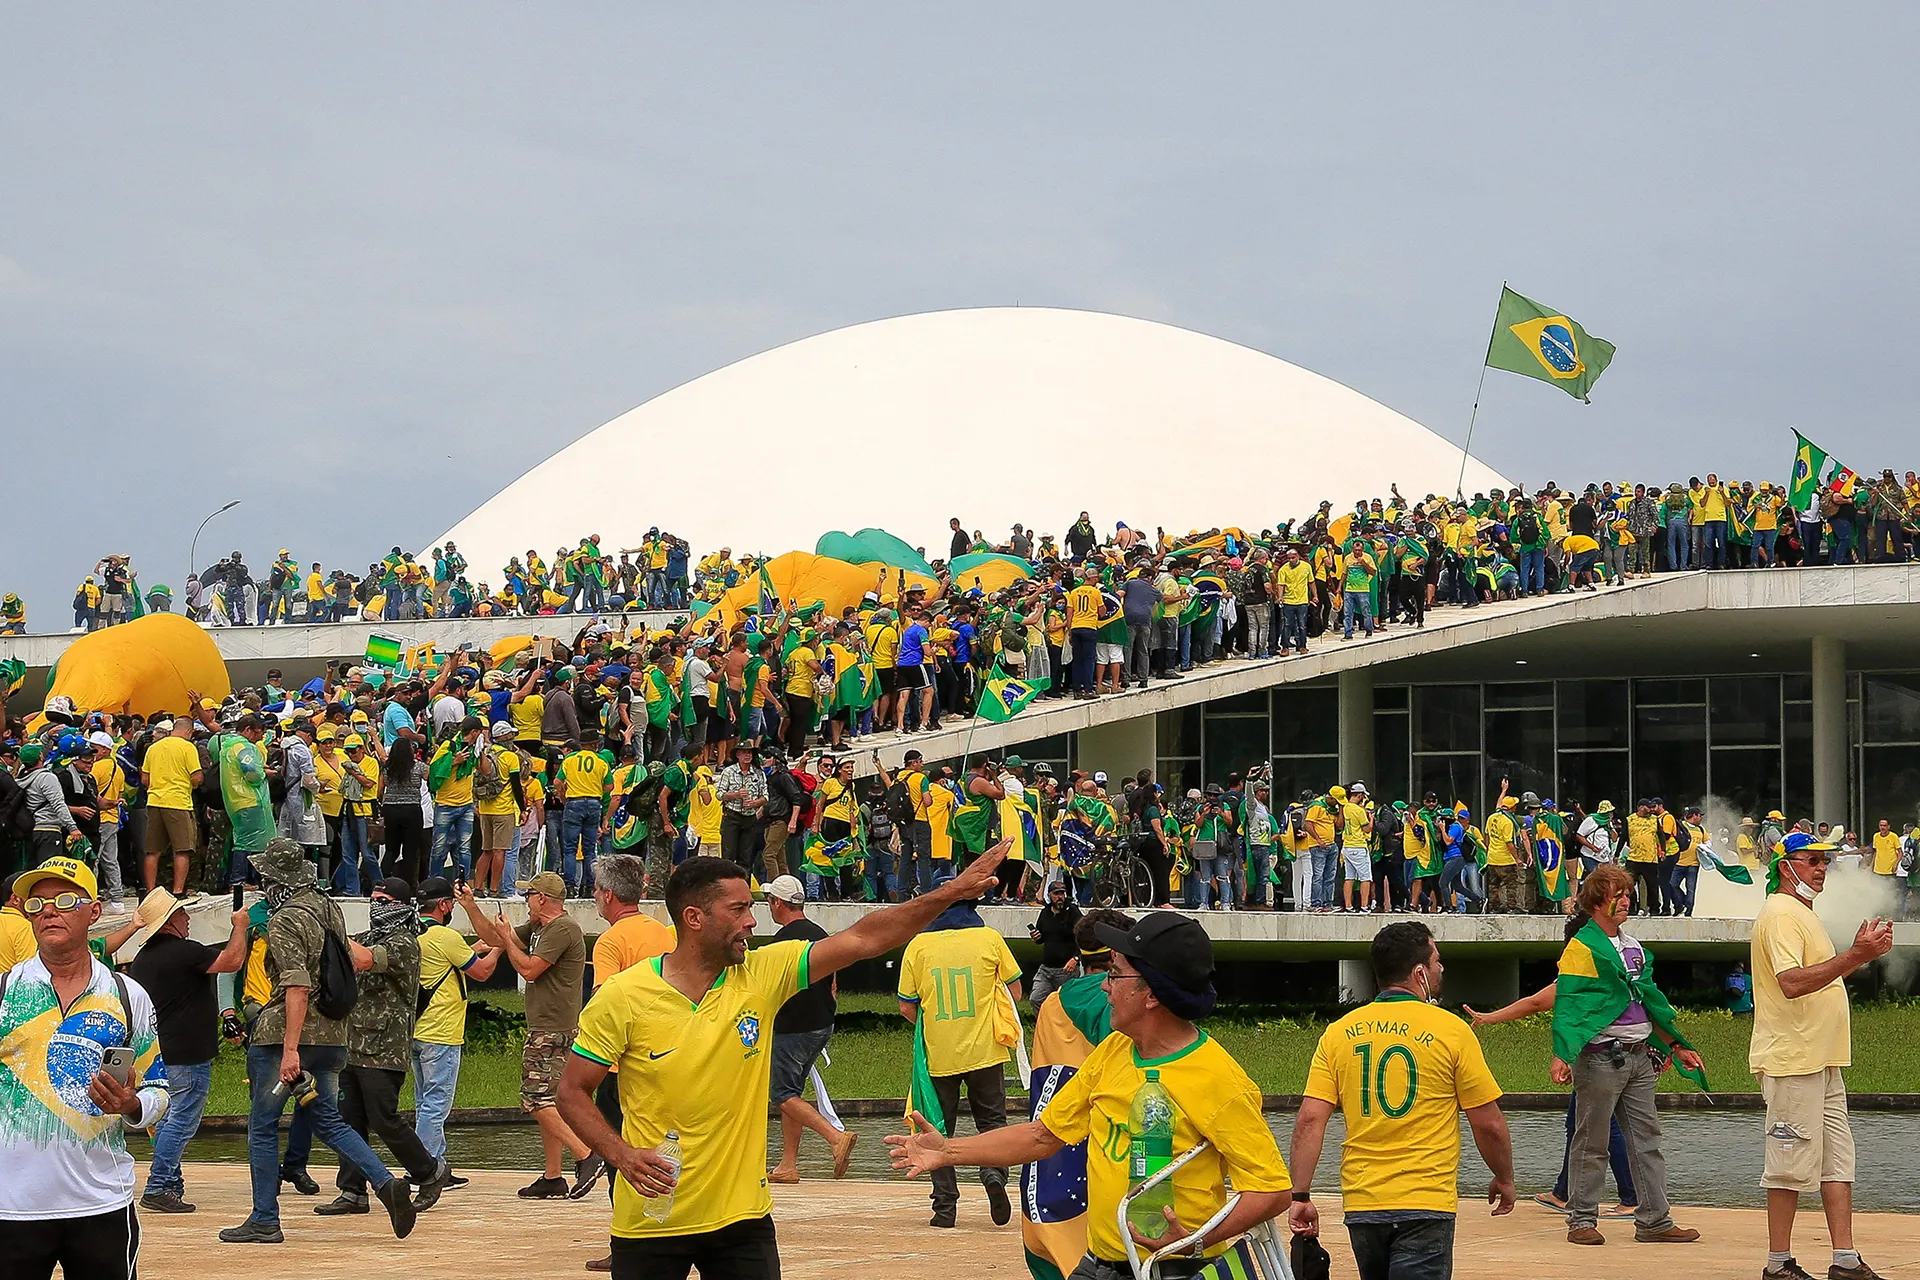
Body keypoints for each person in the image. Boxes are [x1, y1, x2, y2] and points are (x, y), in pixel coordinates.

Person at [555, 839, 1010, 1280]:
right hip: (650, 1221)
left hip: (743, 1221)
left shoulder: (762, 973)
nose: (752, 922)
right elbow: (571, 1091)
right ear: (693, 918)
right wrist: (621, 1156)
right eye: (737, 910)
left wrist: (952, 891)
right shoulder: (623, 996)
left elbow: (865, 938)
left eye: (751, 908)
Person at [889, 910, 1290, 1280]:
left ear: (1152, 994)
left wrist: (1195, 1238)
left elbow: (1271, 1189)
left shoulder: (1217, 1078)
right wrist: (948, 1152)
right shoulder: (1115, 1051)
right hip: (1100, 1264)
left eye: (1115, 974)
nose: (1104, 986)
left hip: (1175, 1267)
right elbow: (1043, 1136)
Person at [1289, 920, 1515, 1280]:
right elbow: (1487, 1123)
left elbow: (1309, 1121)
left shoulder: (1338, 1033)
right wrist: (1504, 1177)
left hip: (1363, 1204)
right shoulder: (1451, 1030)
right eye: (1437, 960)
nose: (1442, 968)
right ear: (1419, 973)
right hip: (1426, 1203)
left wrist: (1300, 1195)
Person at [219, 838, 419, 1244]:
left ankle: (264, 1218)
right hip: (332, 1036)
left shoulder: (285, 919)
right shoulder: (329, 909)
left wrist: (290, 1050)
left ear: (276, 879)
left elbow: (295, 984)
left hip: (283, 1036)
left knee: (262, 1126)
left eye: (265, 878)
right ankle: (384, 1184)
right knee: (326, 1118)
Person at [0, 856, 169, 1279]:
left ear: (94, 911)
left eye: (64, 899)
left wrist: (132, 1105)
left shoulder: (127, 995)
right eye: (36, 904)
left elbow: (160, 1089)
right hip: (10, 1207)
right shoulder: (4, 992)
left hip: (101, 1205)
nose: (49, 911)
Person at [1750, 833, 1893, 1280]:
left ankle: (1845, 1259)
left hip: (1822, 1059)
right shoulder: (1779, 914)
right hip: (1792, 1060)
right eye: (1811, 861)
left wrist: (1859, 956)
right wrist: (1854, 953)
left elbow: (1820, 978)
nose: (1820, 869)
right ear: (1785, 866)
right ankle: (1778, 1264)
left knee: (1838, 1163)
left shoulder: (1804, 914)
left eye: (1824, 862)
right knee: (1788, 1166)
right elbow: (1791, 983)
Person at [1548, 865, 1703, 1247]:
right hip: (1600, 1057)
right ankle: (1581, 1219)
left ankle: (1654, 1219)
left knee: (1646, 1139)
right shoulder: (1582, 947)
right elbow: (1570, 1004)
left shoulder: (1633, 947)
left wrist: (1677, 1045)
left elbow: (1649, 1003)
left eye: (1628, 894)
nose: (1626, 901)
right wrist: (1563, 1054)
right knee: (1592, 1141)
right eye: (1618, 894)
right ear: (1598, 901)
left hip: (1638, 1056)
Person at [457, 871, 602, 1199]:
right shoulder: (540, 927)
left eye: (530, 896)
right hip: (547, 1026)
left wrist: (508, 939)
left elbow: (529, 969)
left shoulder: (562, 929)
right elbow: (494, 938)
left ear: (543, 899)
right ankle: (553, 1177)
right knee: (549, 1100)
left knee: (534, 1100)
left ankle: (586, 1156)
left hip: (552, 1029)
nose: (527, 902)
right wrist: (470, 906)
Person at [316, 877, 446, 1217]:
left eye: (384, 900)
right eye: (373, 899)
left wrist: (331, 926)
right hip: (354, 1043)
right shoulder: (371, 935)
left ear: (402, 906)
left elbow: (362, 959)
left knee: (384, 1118)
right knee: (349, 1120)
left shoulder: (405, 943)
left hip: (385, 1048)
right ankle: (352, 1190)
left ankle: (429, 1172)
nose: (377, 906)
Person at [897, 892, 1025, 1227]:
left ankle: (944, 1208)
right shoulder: (989, 938)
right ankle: (994, 1175)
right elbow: (1015, 993)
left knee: (935, 1129)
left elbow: (906, 1006)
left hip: (939, 1056)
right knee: (992, 1123)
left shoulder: (918, 947)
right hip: (986, 1052)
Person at [125, 889, 249, 1214]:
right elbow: (232, 961)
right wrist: (239, 927)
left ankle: (170, 1185)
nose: (187, 918)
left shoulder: (144, 958)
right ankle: (158, 1184)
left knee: (167, 1119)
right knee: (182, 1120)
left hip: (158, 1052)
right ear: (169, 922)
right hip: (187, 1053)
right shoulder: (184, 952)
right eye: (182, 914)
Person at [763, 874, 858, 1186]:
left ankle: (835, 1137)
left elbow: (771, 988)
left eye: (769, 901)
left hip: (793, 1027)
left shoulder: (783, 940)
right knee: (794, 1091)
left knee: (782, 1094)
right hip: (821, 1025)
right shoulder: (820, 934)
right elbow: (833, 983)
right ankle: (788, 1164)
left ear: (778, 903)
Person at [411, 876, 501, 1190]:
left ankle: (438, 1166)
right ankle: (424, 1171)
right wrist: (499, 947)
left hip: (416, 1029)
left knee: (424, 1102)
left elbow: (449, 961)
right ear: (446, 905)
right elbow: (482, 971)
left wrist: (476, 948)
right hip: (442, 1031)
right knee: (437, 1104)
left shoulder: (413, 932)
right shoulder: (444, 936)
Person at [140, 712, 204, 896]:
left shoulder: (154, 747)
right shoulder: (187, 747)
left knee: (153, 851)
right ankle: (178, 891)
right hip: (178, 803)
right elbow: (197, 776)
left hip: (154, 802)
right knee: (182, 849)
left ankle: (150, 891)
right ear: (189, 731)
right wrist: (192, 783)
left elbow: (145, 779)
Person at [1027, 878, 1082, 1009]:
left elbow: (1084, 937)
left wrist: (1076, 958)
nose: (1060, 897)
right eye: (1056, 894)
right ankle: (1045, 1026)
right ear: (1049, 895)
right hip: (1046, 968)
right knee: (1036, 999)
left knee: (1066, 1005)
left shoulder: (1073, 911)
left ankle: (1065, 1028)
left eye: (1062, 893)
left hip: (1066, 969)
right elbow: (1041, 939)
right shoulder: (1045, 913)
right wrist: (1036, 937)